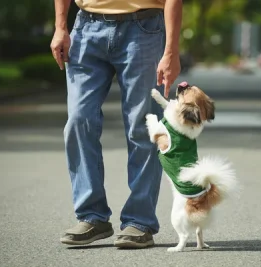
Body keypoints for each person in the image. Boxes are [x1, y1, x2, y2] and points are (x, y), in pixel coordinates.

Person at [50, 0, 182, 248]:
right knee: (79, 120)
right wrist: (60, 27)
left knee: (142, 127)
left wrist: (171, 52)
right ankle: (92, 216)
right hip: (86, 28)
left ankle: (139, 221)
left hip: (143, 28)